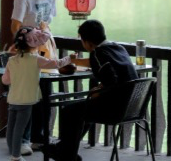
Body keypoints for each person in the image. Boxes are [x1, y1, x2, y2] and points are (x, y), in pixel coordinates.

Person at [49, 20, 138, 161]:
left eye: (82, 40)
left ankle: (66, 154)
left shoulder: (97, 53)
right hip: (133, 107)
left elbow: (111, 79)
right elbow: (114, 74)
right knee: (83, 110)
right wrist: (101, 86)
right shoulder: (117, 47)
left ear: (88, 43)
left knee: (69, 111)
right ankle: (65, 150)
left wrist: (98, 92)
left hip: (115, 110)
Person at [11, 0, 61, 153]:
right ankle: (23, 140)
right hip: (28, 48)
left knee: (45, 94)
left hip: (45, 47)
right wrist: (22, 45)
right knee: (28, 95)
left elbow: (47, 23)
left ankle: (38, 137)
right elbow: (15, 25)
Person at [2, 27, 75, 161]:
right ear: (34, 44)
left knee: (11, 128)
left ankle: (13, 152)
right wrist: (69, 58)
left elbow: (5, 80)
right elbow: (56, 64)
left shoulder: (11, 60)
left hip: (13, 99)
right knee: (19, 129)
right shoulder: (36, 59)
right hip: (27, 100)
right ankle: (16, 156)